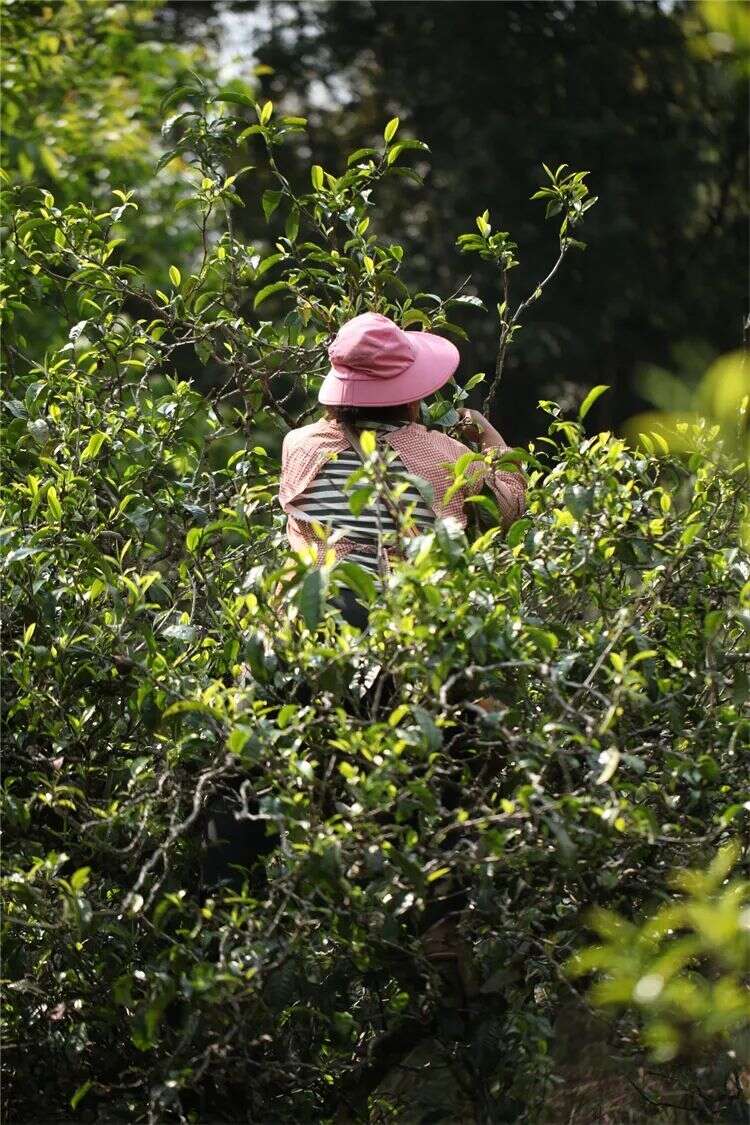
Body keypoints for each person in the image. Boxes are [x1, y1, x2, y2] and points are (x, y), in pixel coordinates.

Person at [278, 311, 527, 626]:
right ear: (410, 396)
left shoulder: (299, 447)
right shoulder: (447, 454)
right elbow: (510, 508)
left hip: (318, 624)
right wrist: (491, 439)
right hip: (408, 629)